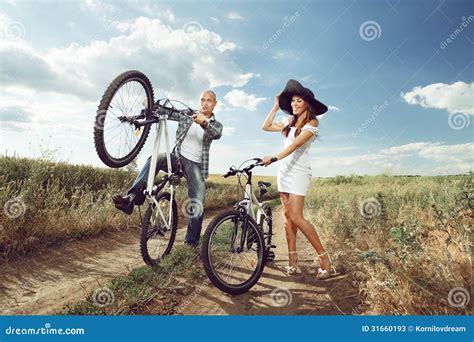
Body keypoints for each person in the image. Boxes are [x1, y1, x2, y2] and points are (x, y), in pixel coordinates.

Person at [113, 90, 223, 248]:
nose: (205, 103)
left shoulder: (216, 124)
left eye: (209, 101)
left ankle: (191, 243)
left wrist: (204, 122)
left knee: (197, 202)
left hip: (195, 165)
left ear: (215, 104)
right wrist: (150, 104)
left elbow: (217, 133)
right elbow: (166, 113)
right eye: (202, 100)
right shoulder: (187, 114)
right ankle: (132, 198)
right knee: (156, 158)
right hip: (178, 158)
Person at [261, 79, 336, 279]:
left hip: (299, 173)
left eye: (298, 101)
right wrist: (276, 106)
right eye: (292, 101)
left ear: (307, 105)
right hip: (284, 173)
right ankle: (292, 261)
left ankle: (324, 258)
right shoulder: (288, 122)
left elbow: (294, 146)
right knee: (287, 220)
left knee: (296, 217)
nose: (294, 104)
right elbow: (265, 126)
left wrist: (274, 157)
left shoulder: (312, 124)